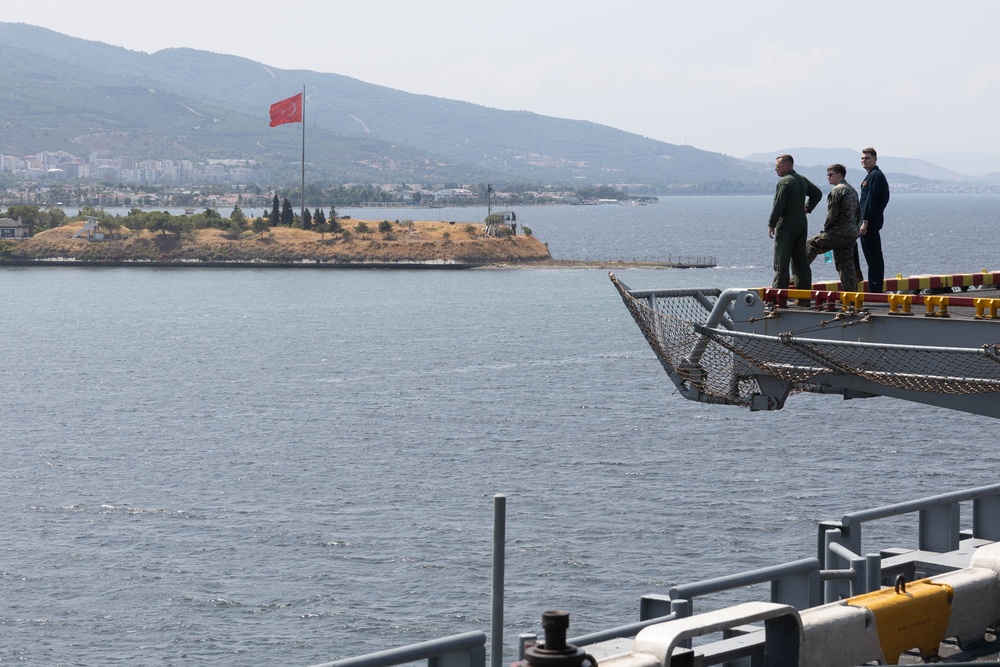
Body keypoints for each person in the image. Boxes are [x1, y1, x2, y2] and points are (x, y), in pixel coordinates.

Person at [767, 154, 822, 300]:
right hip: (801, 224)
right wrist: (807, 208)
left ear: (786, 166)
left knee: (781, 262)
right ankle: (804, 299)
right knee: (800, 262)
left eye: (777, 166)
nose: (775, 169)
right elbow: (817, 193)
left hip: (787, 224)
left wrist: (771, 224)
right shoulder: (802, 180)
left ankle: (779, 299)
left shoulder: (785, 182)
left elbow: (779, 205)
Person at [806, 164, 860, 291]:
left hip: (839, 231)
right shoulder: (852, 190)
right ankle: (851, 295)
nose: (828, 177)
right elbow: (859, 213)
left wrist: (826, 230)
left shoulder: (837, 190)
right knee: (846, 263)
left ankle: (799, 275)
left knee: (810, 244)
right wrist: (854, 228)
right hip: (851, 232)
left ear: (840, 174)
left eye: (830, 174)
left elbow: (832, 214)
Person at [857, 147, 890, 292]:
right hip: (868, 222)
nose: (864, 160)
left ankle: (875, 289)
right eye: (862, 158)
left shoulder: (875, 175)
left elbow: (872, 200)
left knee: (874, 257)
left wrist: (865, 221)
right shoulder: (871, 175)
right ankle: (874, 287)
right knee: (872, 256)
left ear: (875, 159)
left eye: (867, 158)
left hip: (869, 223)